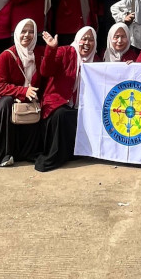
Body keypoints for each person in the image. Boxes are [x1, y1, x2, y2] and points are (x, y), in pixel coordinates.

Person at [35, 26, 97, 171]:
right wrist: (51, 49)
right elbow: (45, 71)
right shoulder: (65, 52)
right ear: (77, 39)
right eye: (84, 39)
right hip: (56, 103)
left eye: (91, 40)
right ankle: (57, 156)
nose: (86, 43)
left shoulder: (96, 61)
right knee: (62, 114)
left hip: (81, 105)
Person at [0, 18, 43, 167]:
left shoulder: (39, 54)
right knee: (5, 102)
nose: (27, 35)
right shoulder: (6, 56)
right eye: (23, 31)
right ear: (17, 33)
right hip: (10, 98)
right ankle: (3, 154)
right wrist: (22, 91)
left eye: (31, 31)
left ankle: (29, 152)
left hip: (31, 99)